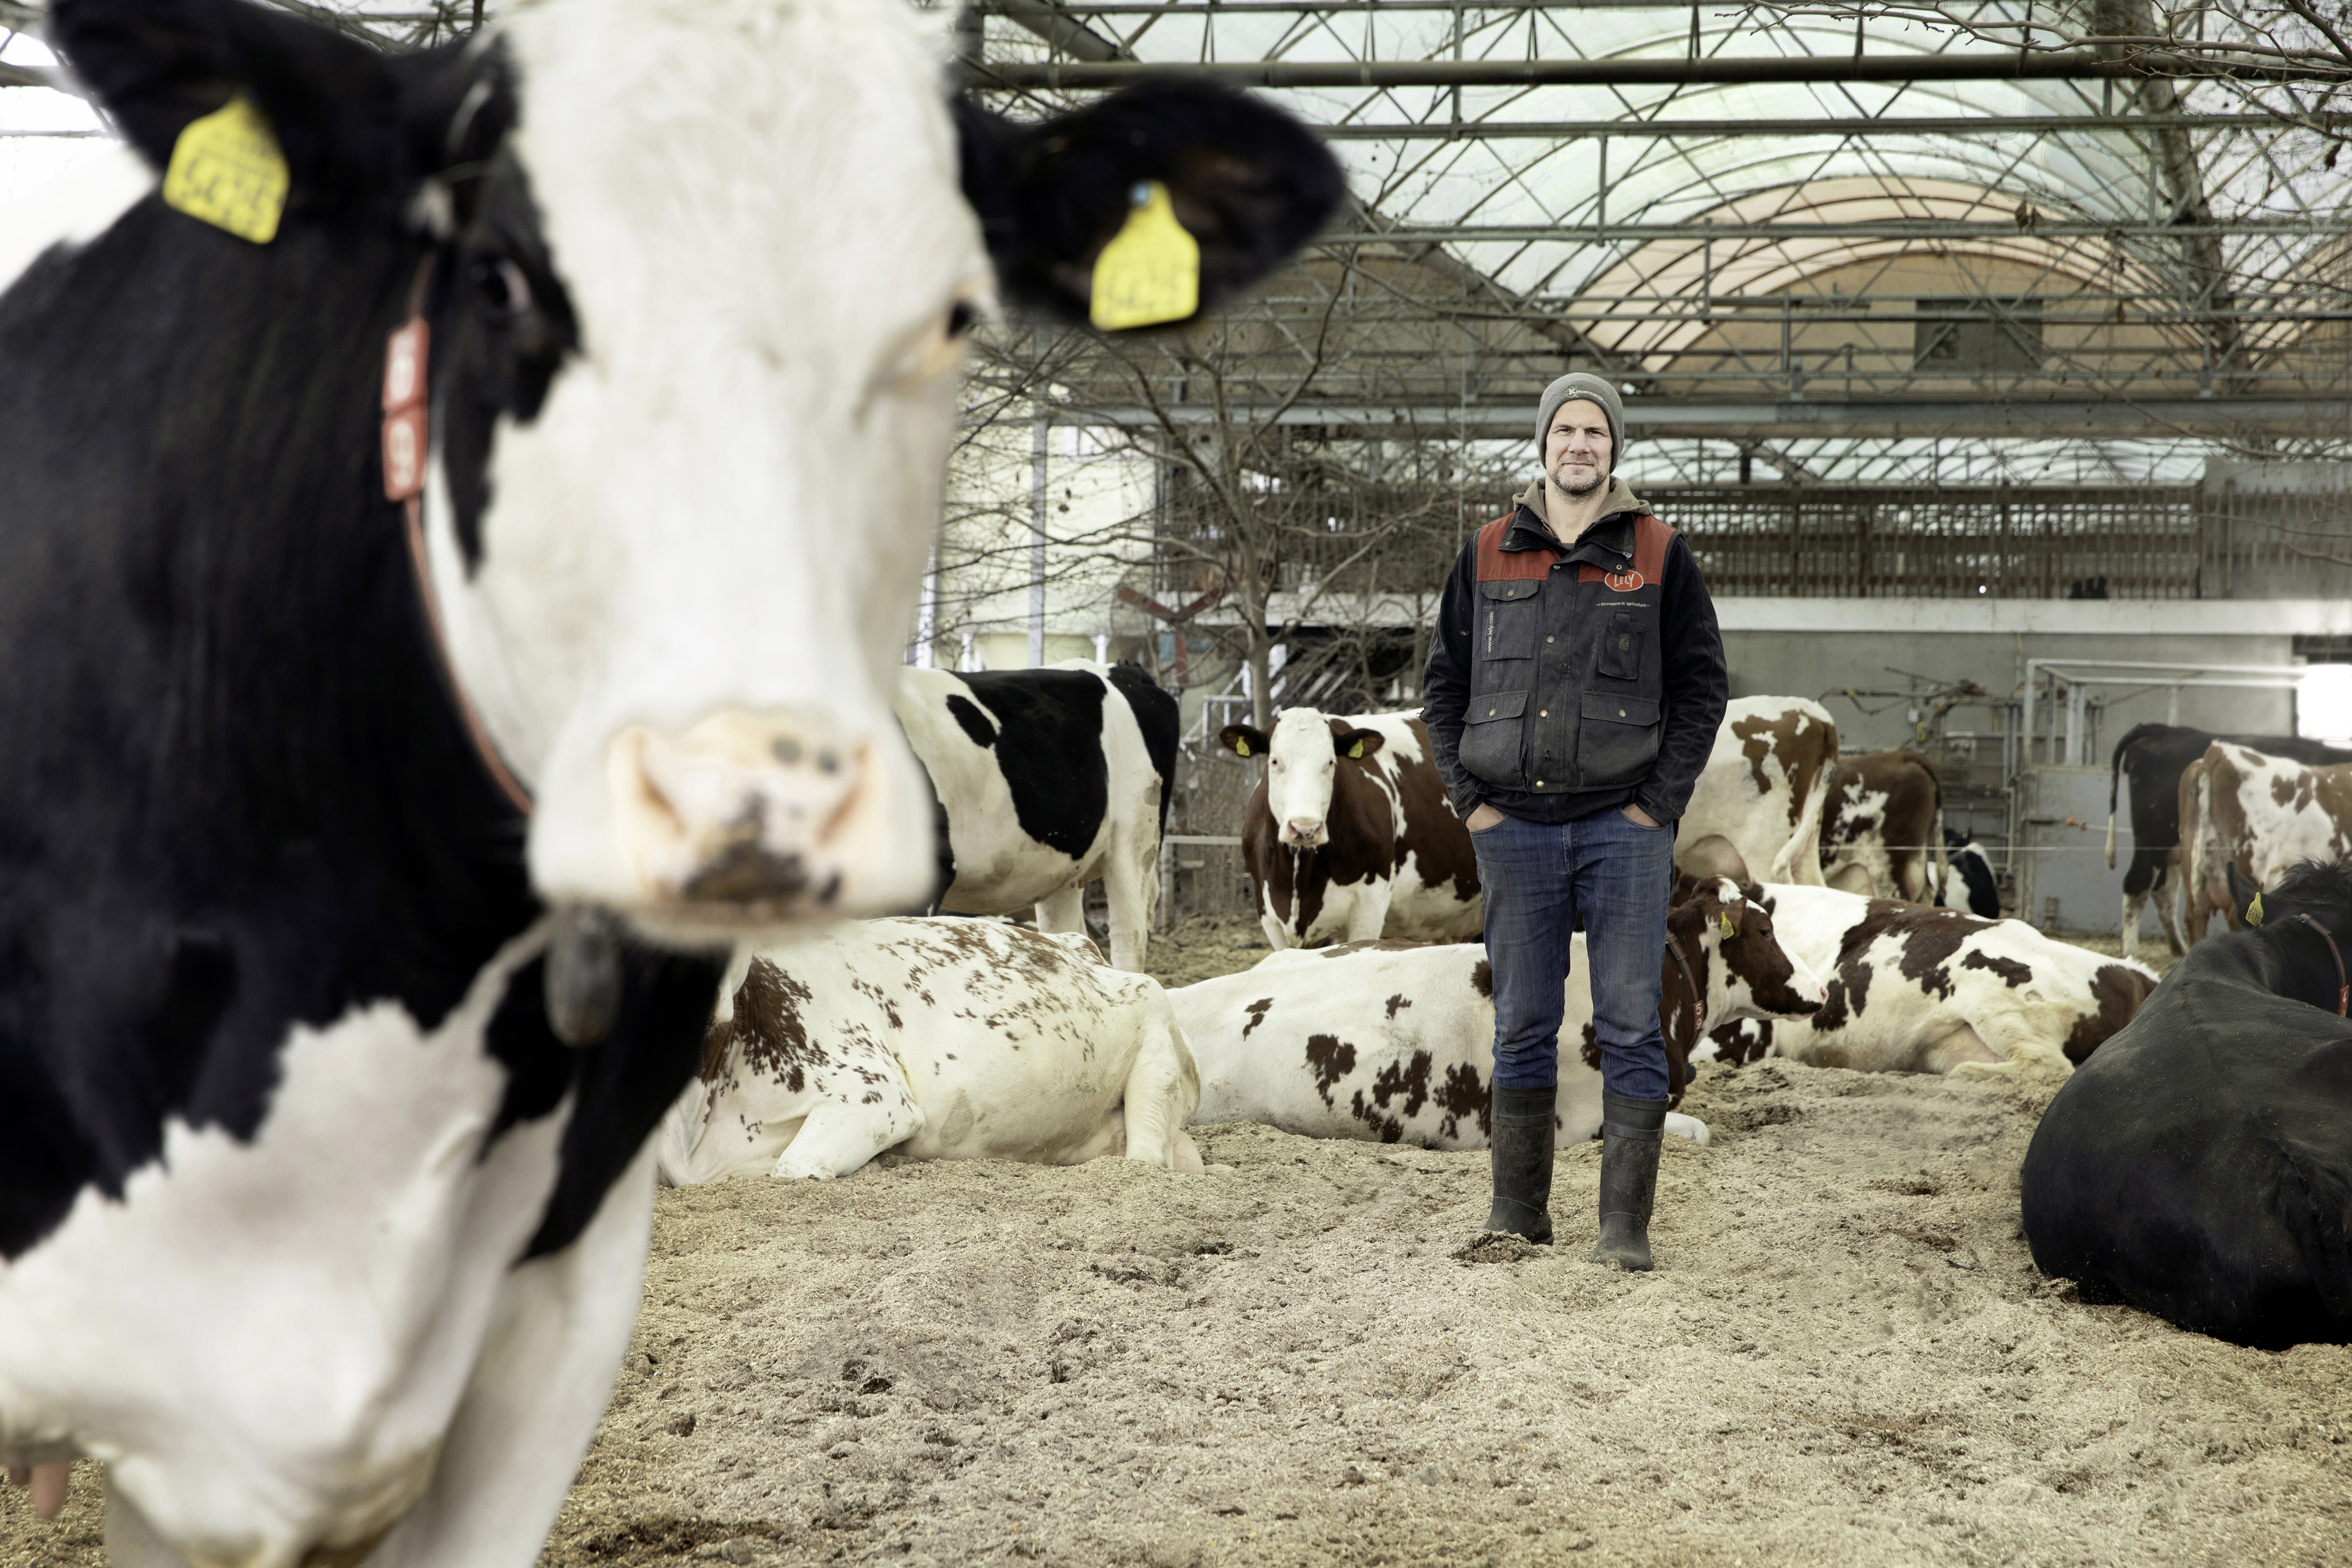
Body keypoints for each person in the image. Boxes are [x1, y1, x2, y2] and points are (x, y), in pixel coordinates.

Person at [1420, 373, 1728, 1270]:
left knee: (1630, 1022)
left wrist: (1654, 807)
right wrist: (1469, 802)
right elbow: (1442, 686)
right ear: (1543, 443)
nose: (1579, 444)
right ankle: (1517, 1211)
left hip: (1620, 828)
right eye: (1565, 430)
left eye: (1595, 431)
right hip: (1511, 826)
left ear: (1613, 448)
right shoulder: (1487, 551)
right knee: (1521, 1022)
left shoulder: (1658, 552)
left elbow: (1702, 688)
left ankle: (1623, 1227)